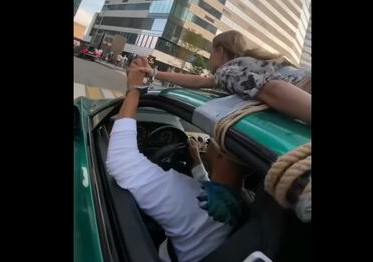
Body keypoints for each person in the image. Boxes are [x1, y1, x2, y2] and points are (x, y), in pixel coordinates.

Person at [106, 58, 247, 262]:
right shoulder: (237, 201)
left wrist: (133, 90)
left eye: (212, 137)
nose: (208, 140)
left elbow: (120, 162)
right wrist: (197, 165)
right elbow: (212, 188)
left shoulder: (194, 201)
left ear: (220, 153)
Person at [140, 31, 311, 124]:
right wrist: (154, 73)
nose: (209, 58)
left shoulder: (227, 71)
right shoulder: (243, 66)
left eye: (211, 52)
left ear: (220, 51)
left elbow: (274, 90)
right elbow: (198, 81)